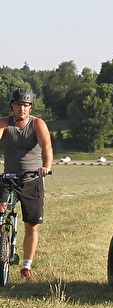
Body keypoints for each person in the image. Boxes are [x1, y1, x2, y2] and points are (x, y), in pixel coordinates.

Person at [0, 88, 53, 280]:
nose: (22, 109)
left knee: (32, 225)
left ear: (30, 108)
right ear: (12, 106)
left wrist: (45, 167)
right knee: (1, 215)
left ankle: (26, 266)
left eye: (26, 105)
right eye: (18, 105)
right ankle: (2, 247)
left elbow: (47, 147)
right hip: (9, 178)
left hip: (33, 179)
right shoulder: (5, 123)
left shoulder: (38, 124)